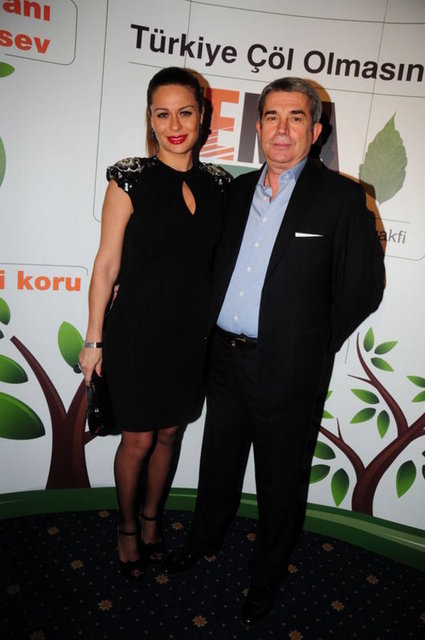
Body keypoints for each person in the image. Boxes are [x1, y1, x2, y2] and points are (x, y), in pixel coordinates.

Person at [163, 77, 385, 622]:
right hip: (224, 358)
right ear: (258, 126)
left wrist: (311, 344)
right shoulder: (236, 191)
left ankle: (265, 578)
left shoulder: (342, 199)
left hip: (289, 367)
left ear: (316, 130)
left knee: (280, 482)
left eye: (295, 118)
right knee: (218, 460)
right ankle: (204, 539)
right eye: (271, 117)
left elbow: (363, 288)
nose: (282, 130)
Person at [79, 67, 231, 579]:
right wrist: (94, 339)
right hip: (137, 332)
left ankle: (151, 520)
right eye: (162, 114)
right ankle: (126, 526)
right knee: (139, 440)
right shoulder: (130, 178)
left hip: (192, 337)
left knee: (169, 435)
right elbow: (106, 264)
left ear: (202, 115)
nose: (175, 125)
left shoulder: (220, 185)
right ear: (150, 118)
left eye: (185, 112)